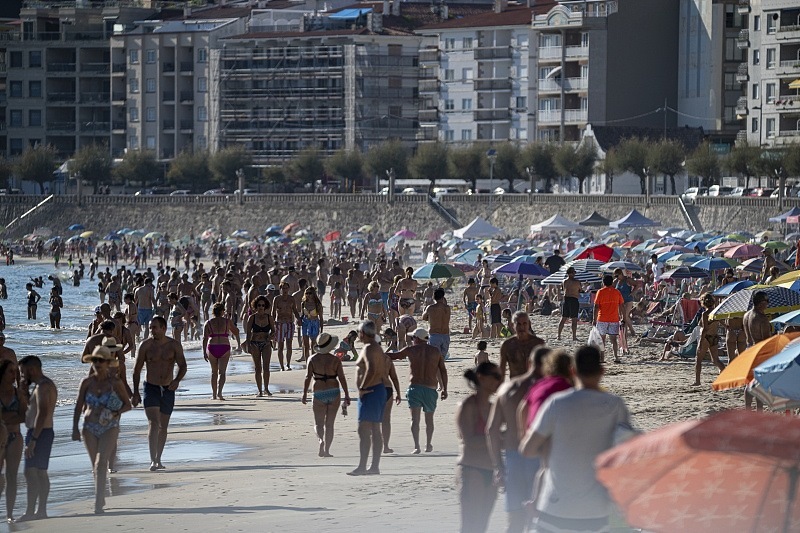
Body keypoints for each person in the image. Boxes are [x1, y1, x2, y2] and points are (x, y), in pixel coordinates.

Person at [520, 345, 631, 533]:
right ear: (602, 371)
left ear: (572, 371)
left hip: (555, 507)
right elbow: (628, 449)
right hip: (596, 511)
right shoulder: (615, 405)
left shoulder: (557, 403)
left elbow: (528, 450)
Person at [487, 346, 549, 533]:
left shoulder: (507, 388)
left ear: (529, 363)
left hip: (513, 456)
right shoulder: (548, 391)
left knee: (514, 520)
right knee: (541, 519)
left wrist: (498, 466)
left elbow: (492, 430)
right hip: (542, 458)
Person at [72, 344, 132, 514]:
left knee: (101, 463)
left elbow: (127, 405)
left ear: (108, 363)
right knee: (96, 465)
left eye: (101, 360)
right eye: (95, 360)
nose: (97, 363)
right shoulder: (86, 383)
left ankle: (98, 501)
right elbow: (78, 406)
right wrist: (74, 428)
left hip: (109, 427)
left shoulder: (115, 383)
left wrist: (115, 413)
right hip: (89, 427)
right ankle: (100, 494)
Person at [132, 316, 187, 472]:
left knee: (163, 426)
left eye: (154, 327)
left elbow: (183, 365)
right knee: (154, 422)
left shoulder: (174, 345)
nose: (152, 331)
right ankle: (152, 460)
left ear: (164, 328)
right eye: (150, 328)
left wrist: (177, 380)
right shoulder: (145, 346)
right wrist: (135, 392)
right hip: (151, 387)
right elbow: (136, 370)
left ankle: (159, 458)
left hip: (168, 388)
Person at [456, 362, 502, 533]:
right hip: (472, 469)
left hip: (491, 470)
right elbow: (469, 441)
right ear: (481, 378)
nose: (499, 381)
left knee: (483, 525)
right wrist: (497, 438)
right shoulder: (468, 405)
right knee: (470, 525)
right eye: (495, 376)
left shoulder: (493, 407)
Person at [389, 328, 449, 454]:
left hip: (415, 388)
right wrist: (444, 389)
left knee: (415, 420)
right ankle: (428, 444)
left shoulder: (411, 350)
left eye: (412, 338)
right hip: (430, 388)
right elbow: (443, 370)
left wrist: (379, 353)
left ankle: (417, 446)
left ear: (417, 338)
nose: (411, 340)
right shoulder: (435, 351)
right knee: (429, 420)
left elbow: (395, 356)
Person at [17, 356, 57, 523]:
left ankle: (33, 511)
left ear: (31, 370)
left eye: (23, 372)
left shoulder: (43, 386)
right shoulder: (41, 385)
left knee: (33, 472)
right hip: (42, 432)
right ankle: (40, 510)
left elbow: (42, 413)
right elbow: (32, 409)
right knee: (38, 472)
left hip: (40, 432)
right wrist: (24, 391)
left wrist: (33, 440)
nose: (21, 375)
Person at [348, 321, 389, 476]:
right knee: (374, 429)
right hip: (376, 390)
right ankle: (372, 466)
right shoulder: (375, 347)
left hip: (372, 391)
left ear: (363, 333)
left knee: (364, 429)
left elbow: (371, 369)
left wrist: (363, 387)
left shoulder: (369, 348)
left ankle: (364, 466)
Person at [301, 333, 351, 457]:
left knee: (318, 423)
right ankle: (327, 450)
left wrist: (304, 393)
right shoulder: (335, 360)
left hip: (318, 392)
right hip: (334, 391)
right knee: (330, 424)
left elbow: (307, 377)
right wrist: (347, 394)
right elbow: (342, 378)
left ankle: (320, 440)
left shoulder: (312, 359)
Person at [0, 358, 24, 523]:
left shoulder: (18, 393)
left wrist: (5, 419)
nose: (14, 375)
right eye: (10, 371)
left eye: (15, 372)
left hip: (15, 437)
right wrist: (11, 417)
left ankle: (9, 514)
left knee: (12, 475)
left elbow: (25, 416)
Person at [203, 303, 241, 400]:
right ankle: (220, 393)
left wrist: (204, 352)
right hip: (224, 346)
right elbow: (236, 332)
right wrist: (231, 321)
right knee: (222, 372)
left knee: (214, 372)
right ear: (222, 311)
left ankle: (214, 395)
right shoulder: (227, 321)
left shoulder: (208, 322)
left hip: (212, 347)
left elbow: (204, 338)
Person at [743, 291, 773, 409]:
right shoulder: (762, 318)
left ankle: (748, 409)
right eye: (767, 301)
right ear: (761, 303)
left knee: (749, 382)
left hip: (749, 349)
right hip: (759, 351)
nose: (768, 304)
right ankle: (759, 411)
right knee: (760, 385)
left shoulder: (746, 315)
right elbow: (765, 341)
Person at [692, 294, 726, 387]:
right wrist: (726, 326)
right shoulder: (716, 312)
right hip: (714, 336)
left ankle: (697, 381)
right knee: (715, 360)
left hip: (706, 337)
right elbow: (721, 322)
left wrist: (700, 342)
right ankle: (726, 376)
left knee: (698, 359)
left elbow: (705, 329)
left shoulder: (705, 314)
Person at [499, 311, 544, 379]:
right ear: (513, 325)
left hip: (534, 383)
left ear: (529, 324)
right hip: (515, 383)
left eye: (524, 323)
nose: (522, 327)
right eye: (518, 324)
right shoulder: (507, 345)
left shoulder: (538, 343)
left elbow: (545, 368)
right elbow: (501, 372)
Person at [244, 295, 275, 397]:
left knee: (266, 367)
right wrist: (248, 345)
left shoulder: (269, 317)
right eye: (259, 305)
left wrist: (271, 336)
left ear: (265, 306)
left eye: (263, 305)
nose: (261, 307)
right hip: (255, 343)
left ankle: (266, 388)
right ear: (255, 306)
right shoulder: (252, 318)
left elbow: (273, 330)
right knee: (258, 368)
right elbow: (248, 333)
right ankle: (260, 390)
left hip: (266, 343)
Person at [593, 274, 625, 363]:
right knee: (613, 340)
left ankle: (602, 358)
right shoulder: (617, 292)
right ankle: (616, 357)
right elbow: (622, 305)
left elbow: (596, 306)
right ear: (612, 282)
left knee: (602, 339)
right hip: (614, 319)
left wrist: (594, 319)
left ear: (603, 282)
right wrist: (624, 317)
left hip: (602, 318)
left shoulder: (600, 292)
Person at [272, 283, 300, 371]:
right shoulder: (277, 299)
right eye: (283, 288)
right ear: (280, 289)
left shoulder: (291, 299)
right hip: (280, 323)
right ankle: (281, 366)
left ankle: (288, 364)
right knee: (280, 346)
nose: (285, 290)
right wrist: (272, 324)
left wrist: (299, 318)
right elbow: (273, 312)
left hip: (289, 323)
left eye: (286, 288)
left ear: (288, 289)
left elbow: (295, 310)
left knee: (289, 345)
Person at [422, 288, 451, 360]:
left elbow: (424, 317)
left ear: (434, 297)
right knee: (441, 359)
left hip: (434, 335)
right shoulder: (447, 308)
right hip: (445, 336)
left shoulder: (430, 308)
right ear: (443, 297)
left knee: (434, 359)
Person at [557, 267, 581, 341]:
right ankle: (574, 336)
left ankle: (559, 335)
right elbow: (580, 290)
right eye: (574, 272)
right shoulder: (577, 282)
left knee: (563, 318)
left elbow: (563, 289)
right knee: (574, 319)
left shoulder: (564, 281)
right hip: (573, 299)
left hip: (566, 299)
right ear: (571, 273)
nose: (574, 274)